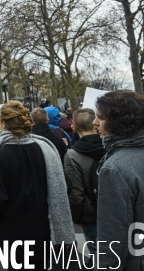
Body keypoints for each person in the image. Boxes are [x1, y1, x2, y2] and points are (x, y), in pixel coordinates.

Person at [0, 101, 76, 269]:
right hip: (44, 235)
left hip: (12, 240)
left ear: (2, 123)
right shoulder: (46, 149)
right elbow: (65, 187)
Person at [94, 90, 144, 270]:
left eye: (100, 117)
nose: (94, 122)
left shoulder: (114, 169)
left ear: (116, 123)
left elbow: (112, 241)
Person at [63, 108, 104, 255]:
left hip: (91, 215)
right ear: (95, 124)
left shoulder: (73, 155)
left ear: (73, 127)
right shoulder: (111, 146)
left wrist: (77, 217)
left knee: (97, 255)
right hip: (116, 210)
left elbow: (76, 193)